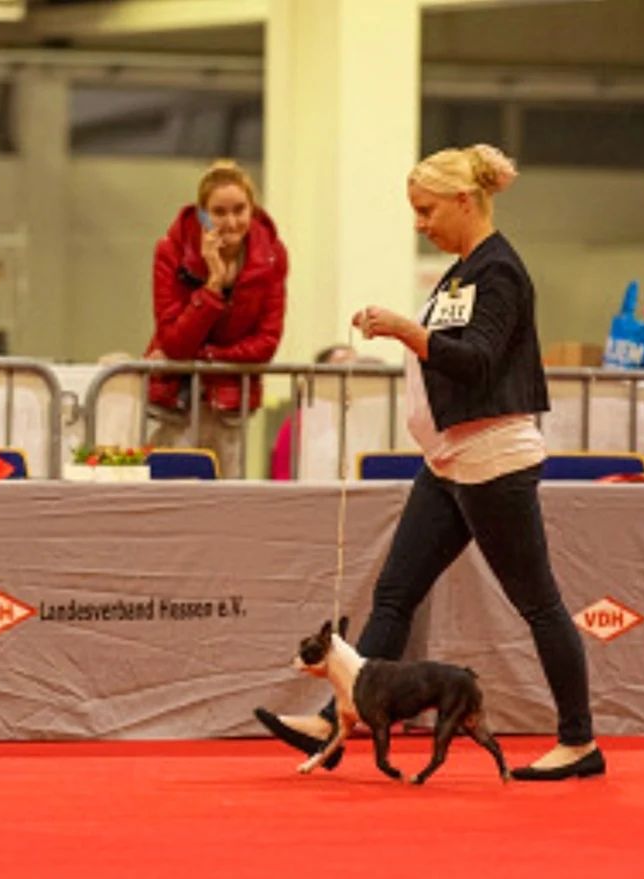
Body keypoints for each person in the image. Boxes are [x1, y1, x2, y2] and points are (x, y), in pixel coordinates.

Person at [255, 143, 605, 781]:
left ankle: (579, 742)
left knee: (538, 604)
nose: (419, 224)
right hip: (449, 460)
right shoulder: (463, 272)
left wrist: (404, 330)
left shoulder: (499, 271)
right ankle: (336, 722)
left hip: (492, 461)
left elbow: (477, 362)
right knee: (394, 594)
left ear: (464, 201)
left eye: (426, 210)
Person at [144, 159, 287, 478]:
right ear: (202, 214)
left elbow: (266, 343)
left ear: (253, 209)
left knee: (227, 492)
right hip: (173, 399)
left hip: (230, 401)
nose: (231, 222)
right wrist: (212, 284)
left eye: (239, 210)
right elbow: (174, 343)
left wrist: (207, 356)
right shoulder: (171, 250)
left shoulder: (272, 256)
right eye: (219, 212)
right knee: (171, 491)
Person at [269, 344, 357, 480]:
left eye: (355, 364)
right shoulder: (298, 422)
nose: (350, 371)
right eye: (341, 363)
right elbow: (283, 473)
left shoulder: (362, 419)